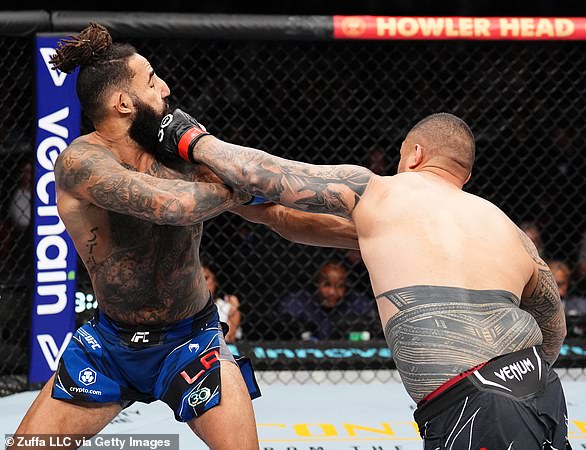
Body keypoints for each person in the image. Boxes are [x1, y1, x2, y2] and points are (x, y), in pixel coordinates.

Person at [11, 24, 358, 450]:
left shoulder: (178, 158)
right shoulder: (81, 162)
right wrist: (235, 179)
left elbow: (278, 215)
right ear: (123, 102)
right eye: (153, 81)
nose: (166, 89)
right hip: (108, 347)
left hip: (192, 340)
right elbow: (169, 207)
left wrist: (363, 239)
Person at [157, 110, 570, 449]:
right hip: (540, 385)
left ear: (414, 154)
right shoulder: (505, 227)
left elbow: (264, 174)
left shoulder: (382, 191)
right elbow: (554, 319)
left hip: (479, 405)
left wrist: (188, 138)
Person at [278, 260, 377, 340]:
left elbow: (372, 330)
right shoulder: (297, 302)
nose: (332, 292)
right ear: (316, 284)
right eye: (327, 285)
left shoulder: (359, 303)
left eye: (340, 286)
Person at [548, 259, 586, 337]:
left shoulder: (581, 305)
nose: (558, 290)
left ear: (568, 283)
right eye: (554, 284)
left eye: (561, 284)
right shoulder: (534, 308)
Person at [201, 264, 243, 343]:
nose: (202, 283)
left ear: (215, 280)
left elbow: (229, 341)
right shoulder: (186, 309)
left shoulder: (228, 307)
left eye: (206, 278)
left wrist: (232, 314)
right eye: (198, 279)